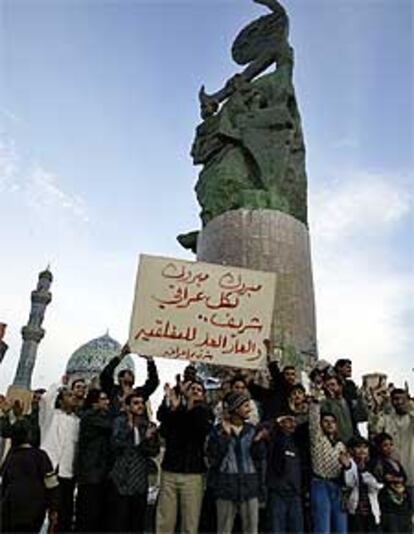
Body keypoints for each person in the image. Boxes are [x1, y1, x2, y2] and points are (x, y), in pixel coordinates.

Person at [156, 379, 213, 534]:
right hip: (170, 471)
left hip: (192, 474)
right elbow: (164, 425)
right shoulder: (176, 411)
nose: (194, 391)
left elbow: (197, 428)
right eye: (191, 388)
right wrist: (172, 402)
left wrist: (187, 407)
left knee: (190, 521)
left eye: (198, 390)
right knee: (165, 520)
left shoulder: (205, 412)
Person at [207, 391, 266, 534]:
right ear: (235, 408)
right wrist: (225, 437)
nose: (249, 409)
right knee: (224, 529)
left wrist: (258, 443)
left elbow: (259, 459)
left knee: (251, 529)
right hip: (226, 487)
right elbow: (213, 459)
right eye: (245, 406)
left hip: (249, 487)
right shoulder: (218, 431)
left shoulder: (252, 430)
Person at [108, 391, 160, 533]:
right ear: (128, 406)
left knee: (137, 524)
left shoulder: (148, 426)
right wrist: (129, 429)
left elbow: (153, 451)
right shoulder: (120, 422)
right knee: (119, 523)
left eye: (141, 403)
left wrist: (148, 438)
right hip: (121, 480)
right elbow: (116, 445)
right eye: (136, 403)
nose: (140, 406)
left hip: (139, 482)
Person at [0, 419, 59, 533]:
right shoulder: (41, 456)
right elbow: (52, 484)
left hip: (11, 511)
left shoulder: (11, 458)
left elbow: (4, 486)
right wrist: (54, 508)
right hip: (35, 512)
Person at [41, 387, 80, 532]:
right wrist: (60, 384)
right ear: (60, 399)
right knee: (43, 510)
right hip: (47, 469)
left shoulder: (77, 422)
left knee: (63, 514)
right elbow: (45, 399)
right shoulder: (50, 416)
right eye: (69, 395)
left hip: (66, 473)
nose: (73, 397)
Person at [369, 387, 414, 511]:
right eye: (395, 399)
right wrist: (377, 407)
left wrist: (411, 408)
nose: (398, 402)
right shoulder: (387, 418)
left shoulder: (411, 418)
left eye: (402, 399)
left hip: (411, 474)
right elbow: (374, 430)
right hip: (393, 478)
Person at [75, 388, 112, 532]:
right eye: (103, 399)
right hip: (91, 474)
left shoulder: (100, 416)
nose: (107, 402)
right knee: (88, 515)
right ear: (94, 403)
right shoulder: (90, 417)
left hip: (99, 473)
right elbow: (110, 426)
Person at [309, 396, 348, 534]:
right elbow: (313, 420)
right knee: (322, 526)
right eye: (325, 421)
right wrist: (315, 402)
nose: (329, 424)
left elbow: (348, 470)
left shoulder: (341, 445)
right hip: (320, 483)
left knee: (341, 527)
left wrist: (347, 465)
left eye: (332, 422)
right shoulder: (317, 439)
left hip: (337, 486)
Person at [266, 413, 304, 533]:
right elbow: (264, 426)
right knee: (277, 529)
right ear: (281, 423)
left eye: (294, 421)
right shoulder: (273, 439)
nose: (292, 424)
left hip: (295, 494)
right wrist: (276, 421)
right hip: (278, 493)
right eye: (288, 421)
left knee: (297, 529)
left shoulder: (299, 441)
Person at [100, 343, 159, 417]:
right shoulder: (113, 391)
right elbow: (105, 375)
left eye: (131, 373)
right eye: (128, 373)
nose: (131, 375)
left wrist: (150, 361)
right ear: (120, 378)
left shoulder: (139, 393)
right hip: (115, 426)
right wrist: (121, 356)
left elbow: (153, 382)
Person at [371, 432, 412, 533]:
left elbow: (404, 478)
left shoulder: (395, 462)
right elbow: (380, 479)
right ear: (379, 447)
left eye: (391, 444)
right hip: (388, 507)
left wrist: (394, 478)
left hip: (403, 506)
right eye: (385, 445)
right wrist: (394, 479)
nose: (389, 448)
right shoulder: (377, 462)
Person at [342, 436, 383, 532]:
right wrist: (348, 467)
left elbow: (378, 486)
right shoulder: (348, 464)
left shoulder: (373, 464)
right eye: (358, 447)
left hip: (372, 511)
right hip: (355, 512)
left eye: (365, 447)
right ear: (351, 450)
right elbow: (349, 484)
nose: (362, 450)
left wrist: (365, 471)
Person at [321, 374, 355, 445]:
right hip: (334, 444)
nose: (330, 388)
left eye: (333, 385)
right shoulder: (324, 403)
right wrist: (331, 399)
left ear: (340, 386)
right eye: (327, 386)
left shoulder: (349, 402)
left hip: (351, 443)